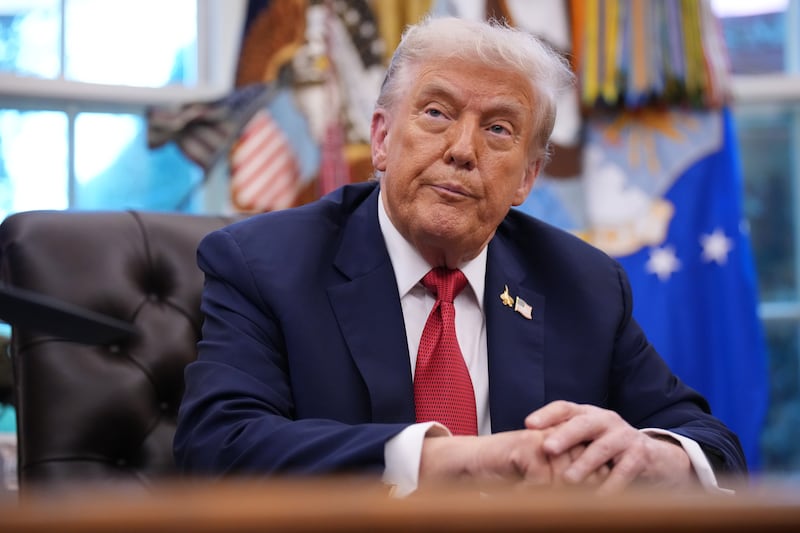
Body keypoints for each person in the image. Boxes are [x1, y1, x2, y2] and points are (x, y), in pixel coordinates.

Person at [174, 16, 746, 496]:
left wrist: (651, 456)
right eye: (436, 113)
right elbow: (217, 446)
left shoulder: (584, 283)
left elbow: (712, 444)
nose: (463, 151)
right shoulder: (264, 263)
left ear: (527, 177)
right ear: (380, 139)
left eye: (498, 129)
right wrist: (456, 460)